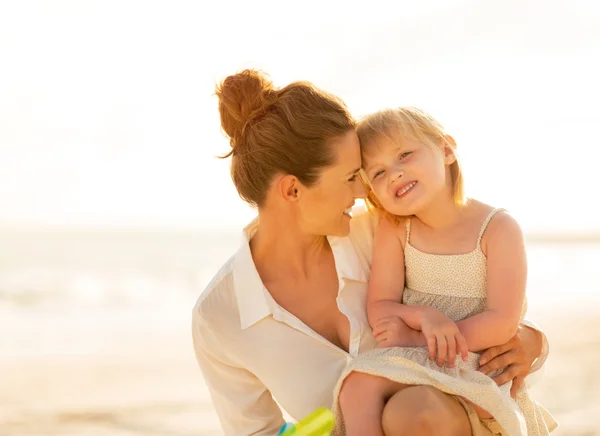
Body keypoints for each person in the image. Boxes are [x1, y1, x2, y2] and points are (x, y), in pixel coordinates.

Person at [192, 69, 549, 436]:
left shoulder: (385, 230)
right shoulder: (218, 317)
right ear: (293, 191)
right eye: (352, 178)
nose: (366, 193)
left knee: (416, 411)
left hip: (469, 414)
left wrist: (531, 339)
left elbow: (478, 281)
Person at [332, 107, 558, 435]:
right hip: (415, 357)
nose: (394, 173)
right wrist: (424, 317)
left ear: (446, 149)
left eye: (405, 155)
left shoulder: (497, 228)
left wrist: (415, 337)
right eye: (378, 173)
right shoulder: (395, 229)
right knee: (355, 386)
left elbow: (502, 322)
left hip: (477, 361)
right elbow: (380, 305)